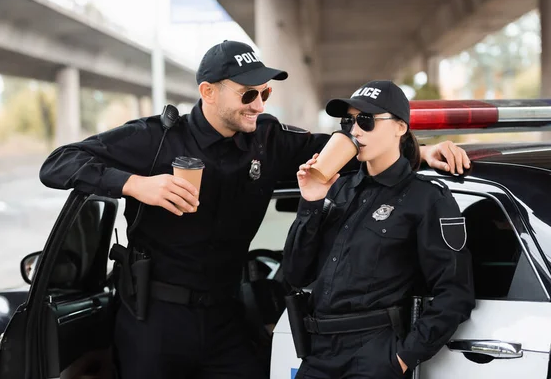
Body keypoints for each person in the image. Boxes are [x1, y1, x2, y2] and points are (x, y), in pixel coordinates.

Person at [39, 40, 471, 379]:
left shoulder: (268, 138)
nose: (260, 104)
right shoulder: (154, 139)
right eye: (248, 94)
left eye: (265, 92)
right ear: (207, 92)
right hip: (156, 319)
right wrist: (137, 185)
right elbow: (58, 163)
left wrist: (424, 151)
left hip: (228, 317)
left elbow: (350, 147)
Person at [283, 80, 476, 379]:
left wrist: (402, 357)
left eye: (366, 120)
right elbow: (296, 274)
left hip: (373, 355)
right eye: (348, 121)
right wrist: (310, 202)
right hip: (317, 353)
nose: (355, 130)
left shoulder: (426, 198)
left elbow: (455, 293)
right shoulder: (337, 189)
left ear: (400, 127)